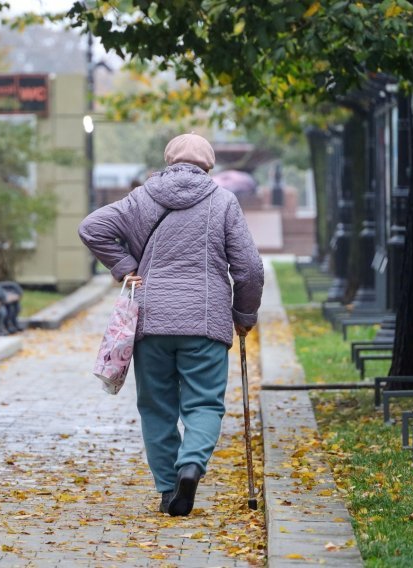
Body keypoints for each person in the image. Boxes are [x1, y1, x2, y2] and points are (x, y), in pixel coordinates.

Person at [78, 133, 264, 516]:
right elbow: (249, 269)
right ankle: (191, 466)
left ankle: (167, 489)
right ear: (208, 165)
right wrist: (244, 316)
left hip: (152, 319)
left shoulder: (141, 198)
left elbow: (92, 228)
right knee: (205, 402)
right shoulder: (223, 202)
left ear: (168, 160)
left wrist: (126, 268)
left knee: (156, 406)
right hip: (206, 321)